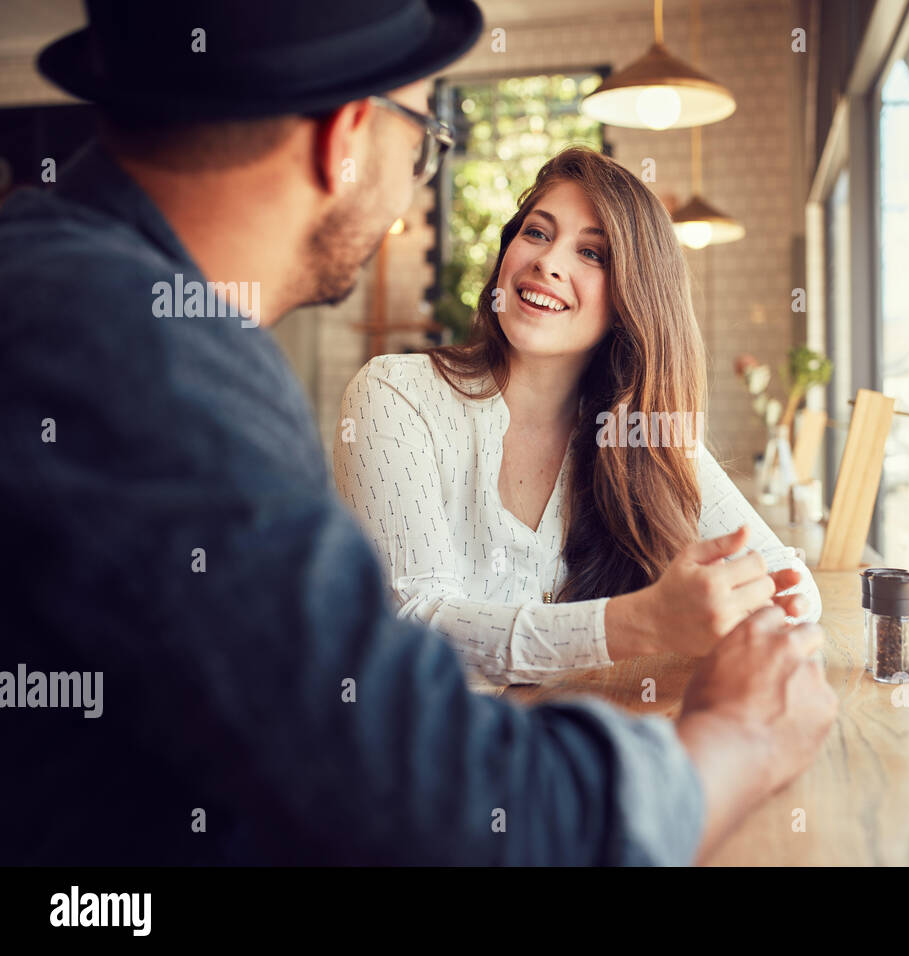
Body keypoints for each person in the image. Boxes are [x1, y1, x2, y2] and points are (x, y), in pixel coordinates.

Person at [0, 0, 837, 866]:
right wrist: (739, 738)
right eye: (426, 142)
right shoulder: (141, 360)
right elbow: (430, 795)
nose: (416, 182)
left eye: (592, 253)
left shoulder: (94, 298)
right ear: (348, 136)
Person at [334, 145, 822, 686]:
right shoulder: (394, 394)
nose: (548, 261)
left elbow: (786, 579)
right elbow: (416, 621)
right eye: (537, 234)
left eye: (592, 254)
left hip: (567, 751)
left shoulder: (638, 429)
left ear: (633, 300)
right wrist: (642, 623)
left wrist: (761, 600)